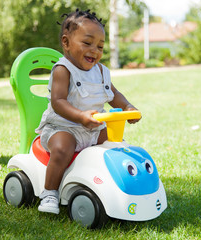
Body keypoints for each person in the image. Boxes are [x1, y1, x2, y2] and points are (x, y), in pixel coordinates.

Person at [35, 9, 141, 214]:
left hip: (92, 128)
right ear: (66, 43)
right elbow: (58, 102)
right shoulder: (62, 69)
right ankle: (49, 192)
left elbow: (114, 93)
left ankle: (114, 186)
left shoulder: (101, 72)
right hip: (62, 128)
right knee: (64, 148)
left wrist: (128, 107)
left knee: (115, 143)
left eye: (100, 46)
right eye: (87, 43)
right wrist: (80, 116)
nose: (94, 50)